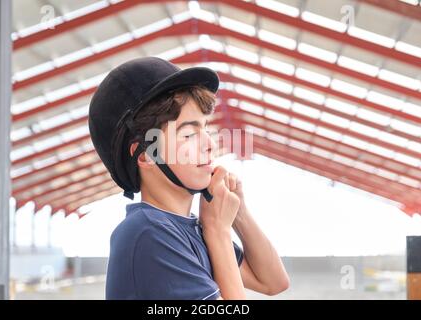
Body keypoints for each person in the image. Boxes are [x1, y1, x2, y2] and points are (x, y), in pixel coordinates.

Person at [88, 57, 289, 300]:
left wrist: (238, 214)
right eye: (189, 134)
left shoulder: (189, 228)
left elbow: (273, 282)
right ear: (146, 155)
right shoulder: (148, 233)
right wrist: (218, 230)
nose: (210, 144)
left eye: (205, 129)